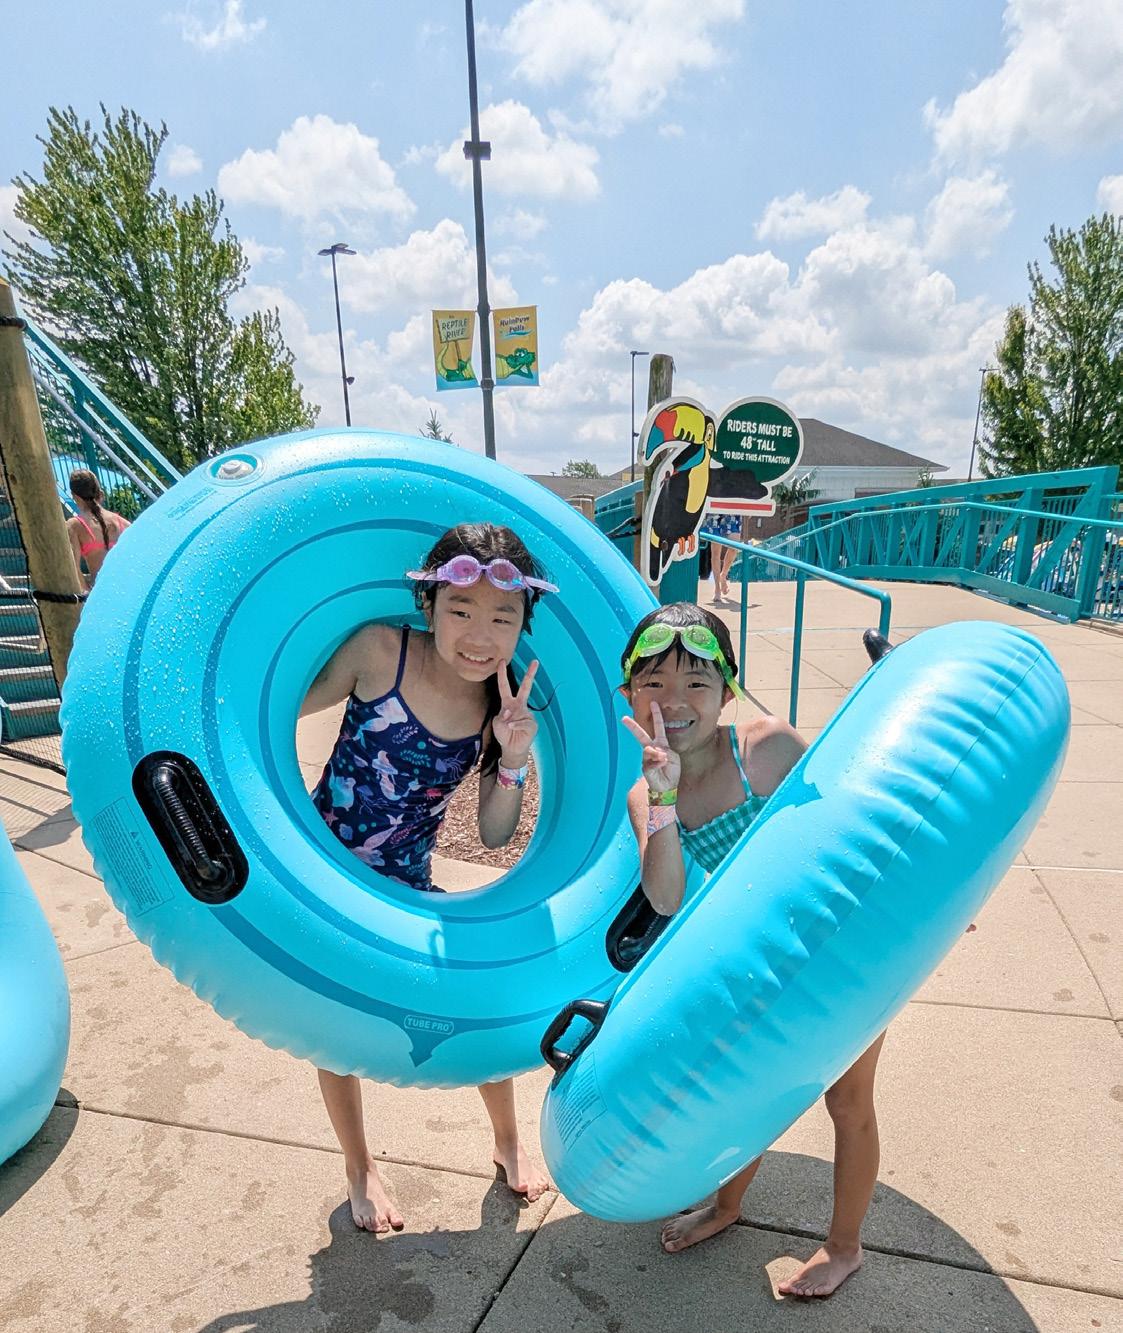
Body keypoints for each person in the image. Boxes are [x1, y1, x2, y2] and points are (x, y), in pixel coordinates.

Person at [619, 601, 885, 1299]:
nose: (674, 701)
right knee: (746, 1096)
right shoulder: (645, 795)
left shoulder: (765, 749)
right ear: (628, 695)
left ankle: (844, 1247)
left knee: (848, 1101)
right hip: (764, 960)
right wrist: (663, 796)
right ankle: (728, 1205)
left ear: (728, 691)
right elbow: (666, 896)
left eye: (696, 683)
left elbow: (855, 825)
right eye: (653, 682)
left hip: (840, 948)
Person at [300, 522, 557, 1234]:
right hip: (322, 874)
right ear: (429, 605)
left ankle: (507, 1140)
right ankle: (360, 1167)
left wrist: (512, 754)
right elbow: (272, 709)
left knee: (479, 1001)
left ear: (522, 623)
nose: (480, 635)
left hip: (408, 884)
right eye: (461, 610)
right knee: (334, 1027)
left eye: (502, 617)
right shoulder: (378, 651)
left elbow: (497, 834)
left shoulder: (498, 703)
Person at [66, 469, 130, 589]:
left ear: (75, 496)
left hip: (103, 591)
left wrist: (87, 593)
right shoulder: (123, 523)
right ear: (99, 492)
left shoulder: (75, 525)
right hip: (127, 588)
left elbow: (73, 567)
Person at [700, 511, 740, 602]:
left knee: (734, 547)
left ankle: (723, 575)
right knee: (715, 552)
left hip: (733, 511)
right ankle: (717, 588)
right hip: (715, 512)